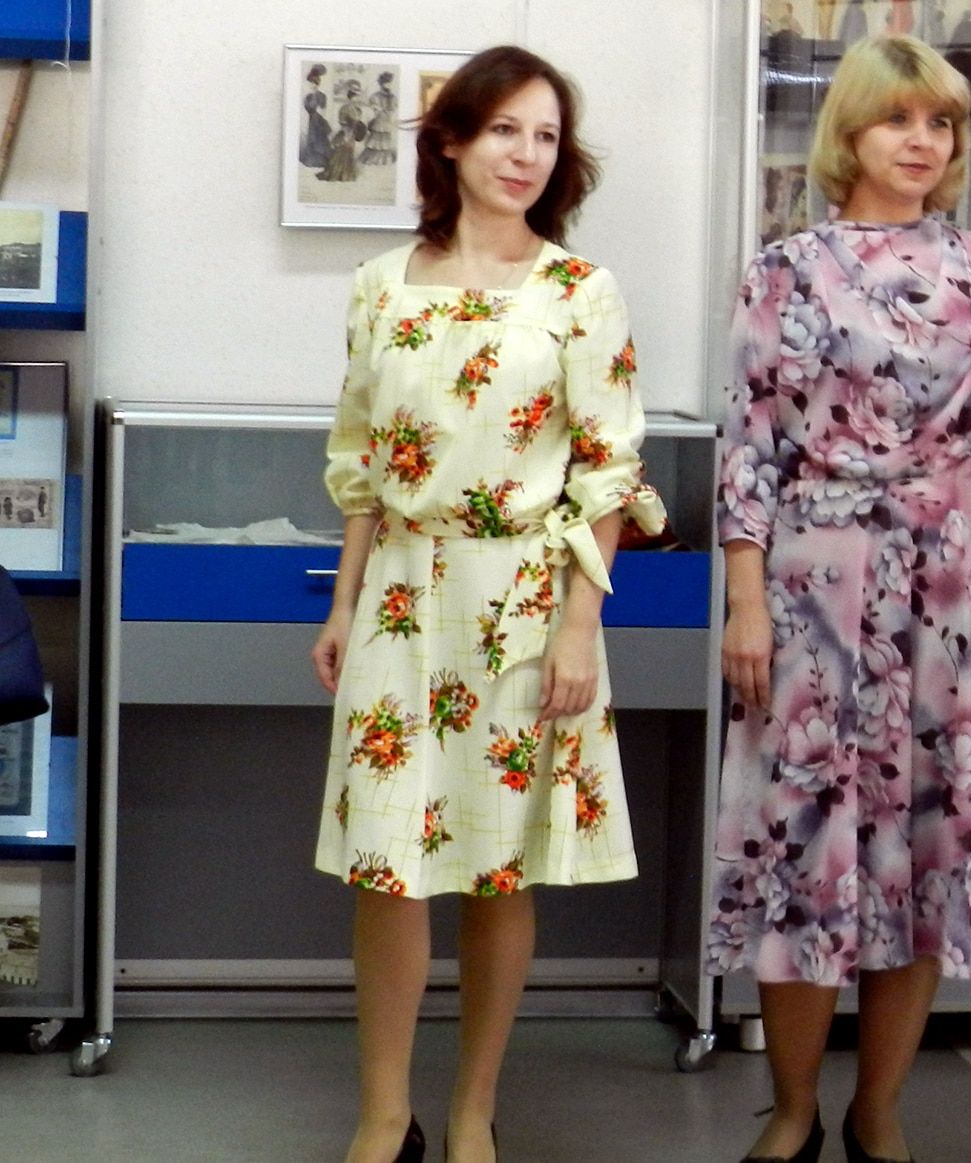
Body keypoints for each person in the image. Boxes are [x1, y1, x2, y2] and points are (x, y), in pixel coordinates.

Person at [311, 45, 660, 1163]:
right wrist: (343, 602)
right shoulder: (381, 284)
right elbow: (361, 462)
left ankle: (473, 1109)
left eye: (546, 136)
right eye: (506, 128)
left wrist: (580, 627)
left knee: (499, 865)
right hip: (401, 596)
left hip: (525, 600)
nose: (526, 153)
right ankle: (383, 1113)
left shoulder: (580, 290)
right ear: (453, 139)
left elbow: (609, 471)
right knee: (388, 862)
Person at [711, 33, 971, 1163]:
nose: (923, 141)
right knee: (805, 839)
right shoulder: (786, 268)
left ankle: (881, 1108)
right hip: (816, 579)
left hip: (952, 583)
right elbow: (750, 447)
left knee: (928, 845)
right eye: (900, 118)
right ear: (849, 131)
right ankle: (794, 1106)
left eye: (942, 123)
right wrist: (745, 601)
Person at [300, 64, 334, 169]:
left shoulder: (322, 96)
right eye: (310, 83)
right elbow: (308, 108)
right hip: (312, 120)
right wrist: (312, 111)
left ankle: (322, 160)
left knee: (320, 139)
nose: (312, 85)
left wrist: (320, 117)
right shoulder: (308, 97)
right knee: (312, 139)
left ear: (317, 83)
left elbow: (323, 110)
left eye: (314, 83)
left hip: (319, 120)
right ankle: (312, 161)